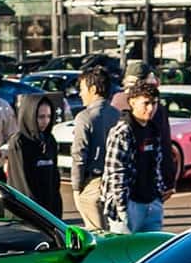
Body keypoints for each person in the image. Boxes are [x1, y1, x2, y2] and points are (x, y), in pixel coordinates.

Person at [101, 82, 168, 233]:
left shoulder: (153, 129)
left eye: (154, 103)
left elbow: (157, 164)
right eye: (146, 103)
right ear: (132, 102)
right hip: (130, 204)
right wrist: (121, 207)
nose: (151, 108)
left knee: (154, 247)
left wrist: (159, 193)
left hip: (152, 202)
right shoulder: (123, 131)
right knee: (126, 246)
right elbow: (116, 172)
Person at [110, 60, 178, 188]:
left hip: (124, 180)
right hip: (147, 182)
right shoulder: (156, 108)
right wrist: (168, 181)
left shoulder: (115, 102)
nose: (149, 108)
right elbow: (164, 145)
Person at [70, 66, 119, 231]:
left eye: (82, 89)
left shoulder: (85, 117)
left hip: (93, 183)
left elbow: (79, 155)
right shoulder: (118, 115)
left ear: (93, 89)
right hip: (116, 182)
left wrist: (76, 187)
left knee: (97, 234)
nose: (80, 94)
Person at [6, 94, 61, 217]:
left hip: (49, 211)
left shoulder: (49, 140)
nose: (45, 121)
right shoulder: (19, 142)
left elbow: (55, 178)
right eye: (41, 117)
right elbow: (21, 184)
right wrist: (36, 215)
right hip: (27, 212)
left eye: (48, 116)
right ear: (29, 116)